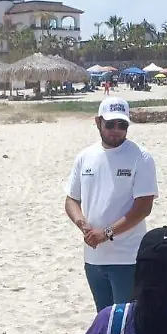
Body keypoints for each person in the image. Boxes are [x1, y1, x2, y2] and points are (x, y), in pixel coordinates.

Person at [64, 97, 159, 312]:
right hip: (93, 257)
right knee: (104, 319)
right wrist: (82, 224)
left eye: (122, 125)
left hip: (127, 258)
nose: (116, 130)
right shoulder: (85, 156)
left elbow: (144, 207)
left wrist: (106, 233)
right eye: (110, 124)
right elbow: (71, 199)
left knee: (126, 320)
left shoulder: (140, 157)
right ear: (98, 122)